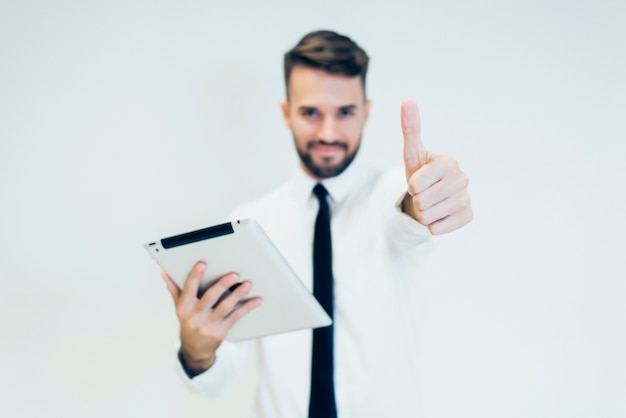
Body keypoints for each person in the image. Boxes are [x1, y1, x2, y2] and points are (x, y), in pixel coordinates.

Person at [161, 30, 473, 417]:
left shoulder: (393, 195)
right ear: (286, 112)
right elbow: (221, 377)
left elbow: (408, 222)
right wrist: (197, 350)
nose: (328, 133)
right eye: (311, 112)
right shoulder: (247, 225)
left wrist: (426, 201)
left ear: (366, 111)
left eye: (345, 112)